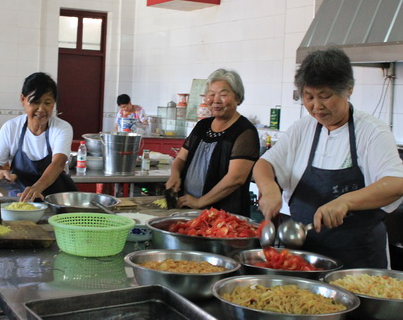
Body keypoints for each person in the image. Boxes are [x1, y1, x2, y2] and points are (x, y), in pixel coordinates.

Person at [254, 47, 403, 269]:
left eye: (325, 96)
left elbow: (396, 182)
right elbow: (265, 163)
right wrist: (269, 188)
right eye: (309, 97)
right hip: (305, 256)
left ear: (348, 90)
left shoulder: (372, 132)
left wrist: (345, 201)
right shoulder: (302, 129)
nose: (316, 106)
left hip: (358, 262)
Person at [166, 69, 260, 216]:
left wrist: (200, 202)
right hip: (189, 210)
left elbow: (236, 178)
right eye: (211, 94)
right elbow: (181, 158)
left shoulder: (245, 132)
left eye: (223, 95)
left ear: (238, 98)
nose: (216, 100)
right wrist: (174, 175)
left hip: (224, 217)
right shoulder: (202, 126)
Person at [0, 72, 78, 202]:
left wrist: (36, 188)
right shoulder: (11, 128)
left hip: (56, 201)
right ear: (23, 100)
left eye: (47, 102)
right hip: (21, 200)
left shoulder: (62, 128)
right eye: (35, 102)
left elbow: (58, 163)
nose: (41, 109)